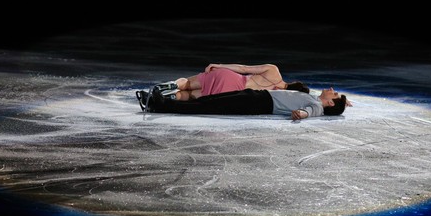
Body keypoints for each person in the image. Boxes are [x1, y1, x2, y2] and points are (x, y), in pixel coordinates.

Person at [141, 86, 349, 120]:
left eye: (334, 93)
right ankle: (161, 102)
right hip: (257, 95)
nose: (332, 90)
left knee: (208, 106)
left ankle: (159, 105)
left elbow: (307, 112)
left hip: (259, 103)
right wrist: (345, 103)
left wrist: (300, 115)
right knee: (210, 99)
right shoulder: (316, 98)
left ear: (330, 103)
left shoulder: (318, 106)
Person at [153, 63, 309, 101]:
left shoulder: (273, 70)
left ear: (294, 82)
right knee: (192, 95)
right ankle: (170, 98)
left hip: (232, 78)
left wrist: (219, 65)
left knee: (187, 83)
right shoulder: (279, 97)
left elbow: (243, 68)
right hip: (231, 91)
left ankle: (172, 86)